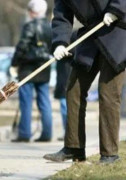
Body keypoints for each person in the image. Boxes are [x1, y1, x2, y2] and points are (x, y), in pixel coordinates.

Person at [44, 0, 126, 164]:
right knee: (73, 89)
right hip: (92, 34)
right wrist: (60, 42)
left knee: (108, 94)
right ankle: (74, 147)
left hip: (117, 32)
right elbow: (61, 15)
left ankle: (109, 154)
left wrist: (116, 9)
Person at [10, 0, 53, 142]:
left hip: (28, 68)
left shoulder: (30, 26)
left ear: (33, 11)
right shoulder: (49, 26)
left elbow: (22, 46)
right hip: (44, 66)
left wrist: (14, 63)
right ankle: (47, 134)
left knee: (26, 102)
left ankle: (24, 133)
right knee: (44, 101)